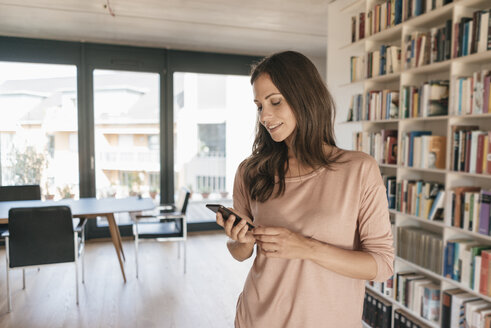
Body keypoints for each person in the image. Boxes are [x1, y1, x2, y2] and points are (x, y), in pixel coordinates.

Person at [215, 51, 394, 328]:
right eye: (259, 105)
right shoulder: (251, 171)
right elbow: (240, 253)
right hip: (257, 317)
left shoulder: (358, 169)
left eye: (275, 101)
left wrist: (307, 248)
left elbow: (381, 266)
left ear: (305, 98)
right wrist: (242, 240)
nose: (265, 116)